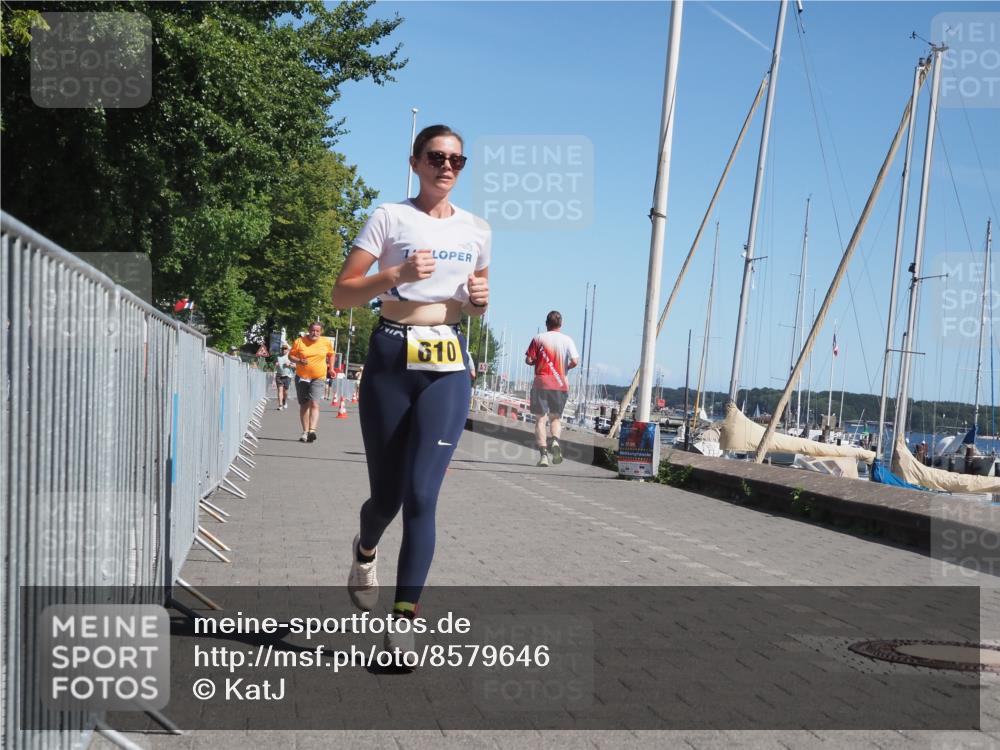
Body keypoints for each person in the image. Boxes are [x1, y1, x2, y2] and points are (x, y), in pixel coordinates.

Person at [331, 124, 490, 663]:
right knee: (388, 498)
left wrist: (477, 303)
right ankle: (365, 546)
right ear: (416, 162)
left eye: (457, 161)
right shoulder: (389, 217)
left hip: (447, 362)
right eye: (437, 157)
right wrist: (393, 273)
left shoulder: (477, 231)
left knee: (423, 496)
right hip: (391, 356)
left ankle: (403, 624)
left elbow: (472, 298)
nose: (447, 167)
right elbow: (341, 293)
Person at [525, 311, 579, 467]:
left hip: (541, 383)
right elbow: (575, 360)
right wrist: (565, 368)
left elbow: (529, 359)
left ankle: (543, 456)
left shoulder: (538, 338)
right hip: (560, 384)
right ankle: (555, 441)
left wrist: (536, 361)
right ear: (560, 324)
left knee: (540, 420)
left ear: (546, 323)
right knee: (555, 418)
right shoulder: (567, 340)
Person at [288, 323, 335, 442]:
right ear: (309, 331)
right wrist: (299, 361)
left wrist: (331, 368)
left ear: (321, 332)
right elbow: (290, 356)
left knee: (314, 403)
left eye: (318, 331)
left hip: (318, 377)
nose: (315, 333)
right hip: (302, 376)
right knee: (304, 404)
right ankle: (305, 432)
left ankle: (312, 431)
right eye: (313, 330)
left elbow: (331, 354)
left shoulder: (325, 342)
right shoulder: (299, 341)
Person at [274, 344, 294, 409]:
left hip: (287, 376)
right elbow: (275, 363)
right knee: (280, 390)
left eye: (285, 349)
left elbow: (295, 366)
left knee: (285, 391)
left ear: (288, 350)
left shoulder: (290, 356)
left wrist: (289, 365)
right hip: (279, 375)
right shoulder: (278, 356)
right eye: (282, 349)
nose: (284, 350)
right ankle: (280, 405)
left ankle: (284, 401)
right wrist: (276, 364)